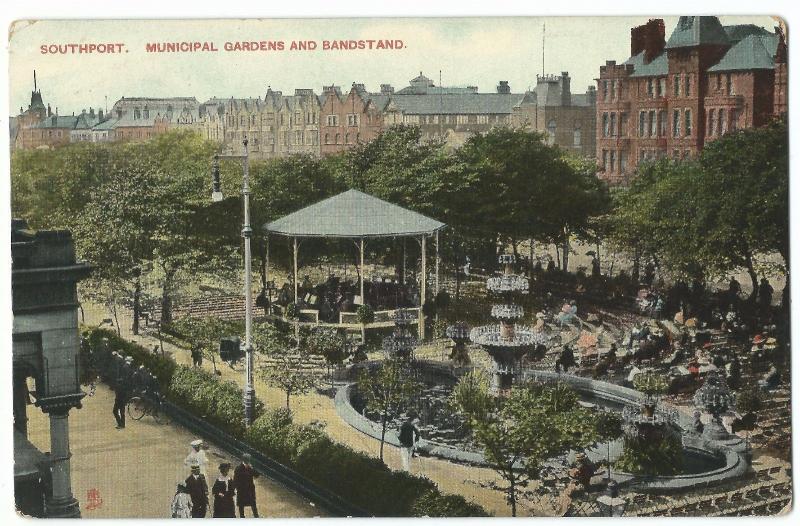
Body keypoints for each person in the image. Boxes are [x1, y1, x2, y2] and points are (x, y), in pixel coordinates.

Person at [113, 357, 134, 429]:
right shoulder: (130, 368)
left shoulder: (124, 367)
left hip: (120, 395)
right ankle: (122, 424)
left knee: (116, 410)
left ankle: (121, 424)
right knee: (122, 410)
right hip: (124, 393)